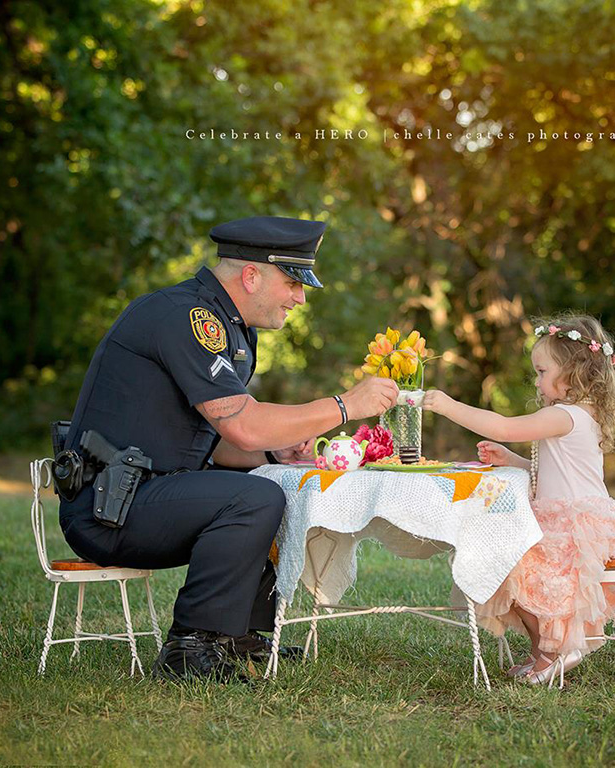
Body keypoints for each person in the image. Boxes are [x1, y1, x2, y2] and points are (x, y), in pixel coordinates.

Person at [58, 215, 398, 681]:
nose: (300, 297)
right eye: (293, 282)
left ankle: (239, 634)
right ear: (251, 275)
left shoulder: (233, 326)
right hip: (108, 509)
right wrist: (344, 406)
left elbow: (218, 442)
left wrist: (274, 454)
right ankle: (190, 649)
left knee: (266, 479)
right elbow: (243, 424)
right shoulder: (187, 318)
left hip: (150, 492)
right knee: (255, 497)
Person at [421, 313, 615, 684]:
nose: (537, 380)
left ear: (574, 372)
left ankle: (554, 652)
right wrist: (511, 459)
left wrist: (449, 406)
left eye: (542, 371)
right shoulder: (573, 415)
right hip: (568, 520)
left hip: (575, 527)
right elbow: (554, 472)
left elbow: (504, 426)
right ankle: (544, 652)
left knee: (506, 562)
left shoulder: (566, 416)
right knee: (502, 559)